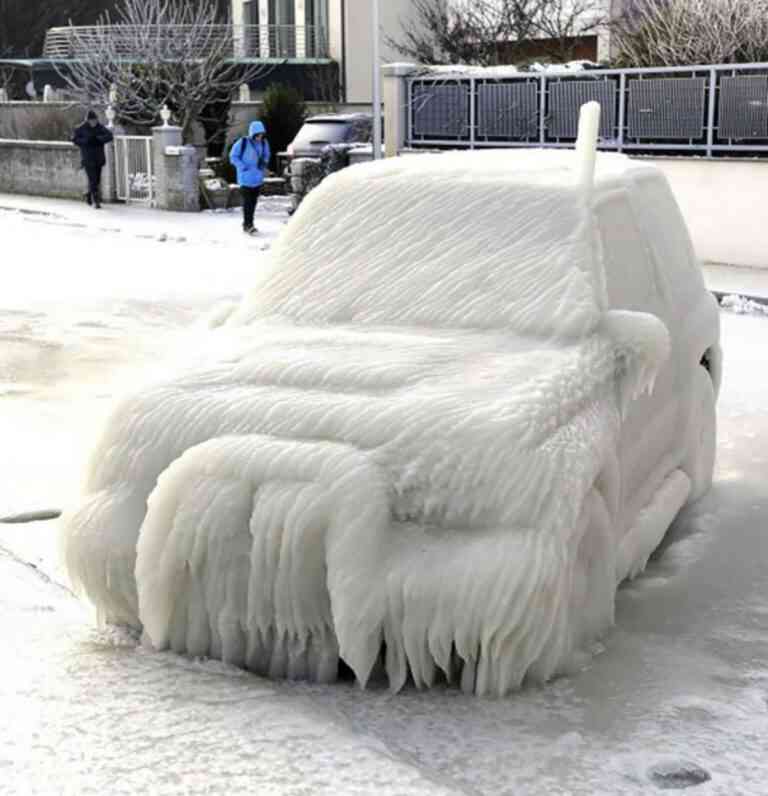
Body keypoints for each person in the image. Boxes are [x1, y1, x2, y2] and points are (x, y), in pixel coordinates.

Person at [229, 120, 271, 235]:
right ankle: (248, 225)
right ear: (253, 133)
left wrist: (264, 163)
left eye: (261, 135)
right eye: (258, 135)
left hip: (257, 178)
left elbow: (267, 155)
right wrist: (242, 166)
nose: (260, 137)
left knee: (253, 203)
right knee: (247, 202)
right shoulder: (242, 142)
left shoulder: (264, 143)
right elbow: (233, 156)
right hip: (245, 178)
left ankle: (248, 223)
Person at [72, 110, 114, 209]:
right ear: (87, 120)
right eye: (91, 121)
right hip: (87, 158)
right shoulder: (80, 128)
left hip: (99, 157)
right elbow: (74, 139)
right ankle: (96, 201)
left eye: (95, 120)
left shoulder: (100, 127)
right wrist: (85, 141)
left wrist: (99, 139)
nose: (93, 122)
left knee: (97, 179)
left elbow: (109, 136)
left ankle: (88, 193)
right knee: (92, 179)